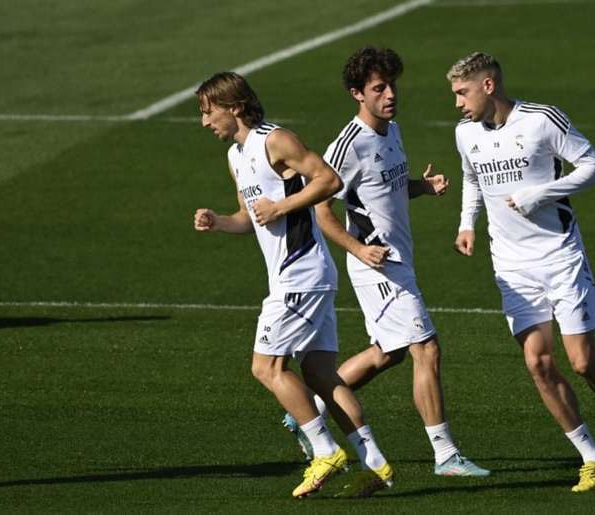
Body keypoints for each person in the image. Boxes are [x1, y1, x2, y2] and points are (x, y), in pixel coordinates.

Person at [282, 46, 491, 479]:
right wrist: (358, 250)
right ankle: (445, 454)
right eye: (379, 88)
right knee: (426, 349)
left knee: (387, 353)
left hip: (400, 260)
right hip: (377, 266)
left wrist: (422, 187)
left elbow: (382, 191)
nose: (390, 94)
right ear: (358, 93)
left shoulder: (391, 130)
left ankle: (306, 408)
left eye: (392, 85)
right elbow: (321, 211)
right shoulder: (347, 147)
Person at [447, 52, 595, 492]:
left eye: (462, 93)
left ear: (488, 86)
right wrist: (467, 224)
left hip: (560, 256)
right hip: (512, 265)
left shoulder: (542, 120)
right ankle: (592, 458)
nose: (458, 103)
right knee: (538, 363)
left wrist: (543, 193)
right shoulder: (466, 133)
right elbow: (471, 177)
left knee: (581, 362)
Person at [192, 71, 393, 499]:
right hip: (304, 276)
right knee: (320, 374)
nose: (205, 122)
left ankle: (324, 450)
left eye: (208, 112)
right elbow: (251, 216)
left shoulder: (275, 140)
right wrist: (219, 223)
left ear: (234, 107)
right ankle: (376, 464)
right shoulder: (236, 155)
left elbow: (329, 180)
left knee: (266, 367)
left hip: (300, 275)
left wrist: (281, 205)